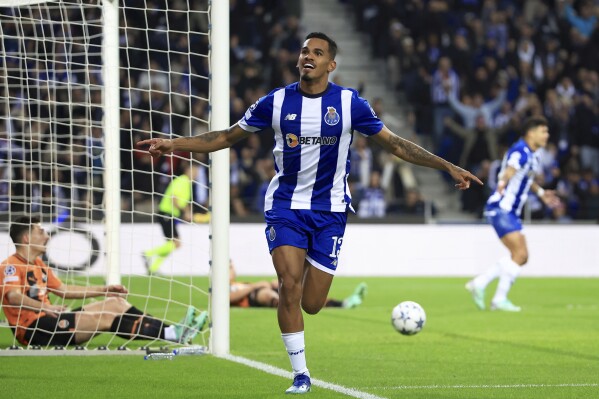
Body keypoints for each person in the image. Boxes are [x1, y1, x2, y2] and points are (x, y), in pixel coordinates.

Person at [139, 32, 482, 394]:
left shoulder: (350, 105)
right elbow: (225, 137)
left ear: (331, 64)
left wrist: (447, 167)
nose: (308, 56)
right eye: (305, 50)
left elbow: (396, 144)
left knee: (313, 303)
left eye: (317, 52)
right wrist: (173, 144)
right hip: (285, 206)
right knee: (289, 285)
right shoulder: (276, 102)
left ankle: (286, 305)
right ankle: (301, 373)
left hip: (330, 211)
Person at [0, 216, 208, 347]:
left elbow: (63, 290)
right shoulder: (9, 265)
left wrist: (104, 289)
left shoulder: (39, 264)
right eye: (41, 232)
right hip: (34, 329)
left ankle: (173, 331)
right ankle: (172, 334)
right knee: (106, 318)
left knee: (115, 303)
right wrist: (48, 308)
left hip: (51, 317)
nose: (46, 236)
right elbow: (13, 296)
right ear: (27, 239)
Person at [466, 116, 560, 312]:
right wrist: (501, 185)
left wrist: (541, 193)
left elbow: (525, 178)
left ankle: (480, 283)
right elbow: (509, 171)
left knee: (520, 256)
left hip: (509, 211)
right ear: (530, 133)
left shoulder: (533, 154)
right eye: (543, 131)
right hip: (502, 208)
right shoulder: (521, 151)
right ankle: (498, 298)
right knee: (520, 254)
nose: (547, 135)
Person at [229, 260, 366, 309]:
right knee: (265, 293)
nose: (232, 270)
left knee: (301, 292)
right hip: (252, 297)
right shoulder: (221, 287)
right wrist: (254, 286)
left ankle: (341, 304)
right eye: (229, 268)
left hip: (259, 290)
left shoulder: (238, 282)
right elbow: (229, 298)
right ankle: (281, 303)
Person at [142, 160, 198, 274]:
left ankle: (153, 268)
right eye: (194, 171)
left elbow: (182, 201)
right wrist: (186, 212)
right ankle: (148, 254)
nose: (196, 174)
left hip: (169, 215)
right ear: (188, 170)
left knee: (173, 244)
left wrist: (187, 210)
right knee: (175, 243)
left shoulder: (186, 183)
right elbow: (174, 198)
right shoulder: (182, 181)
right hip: (166, 213)